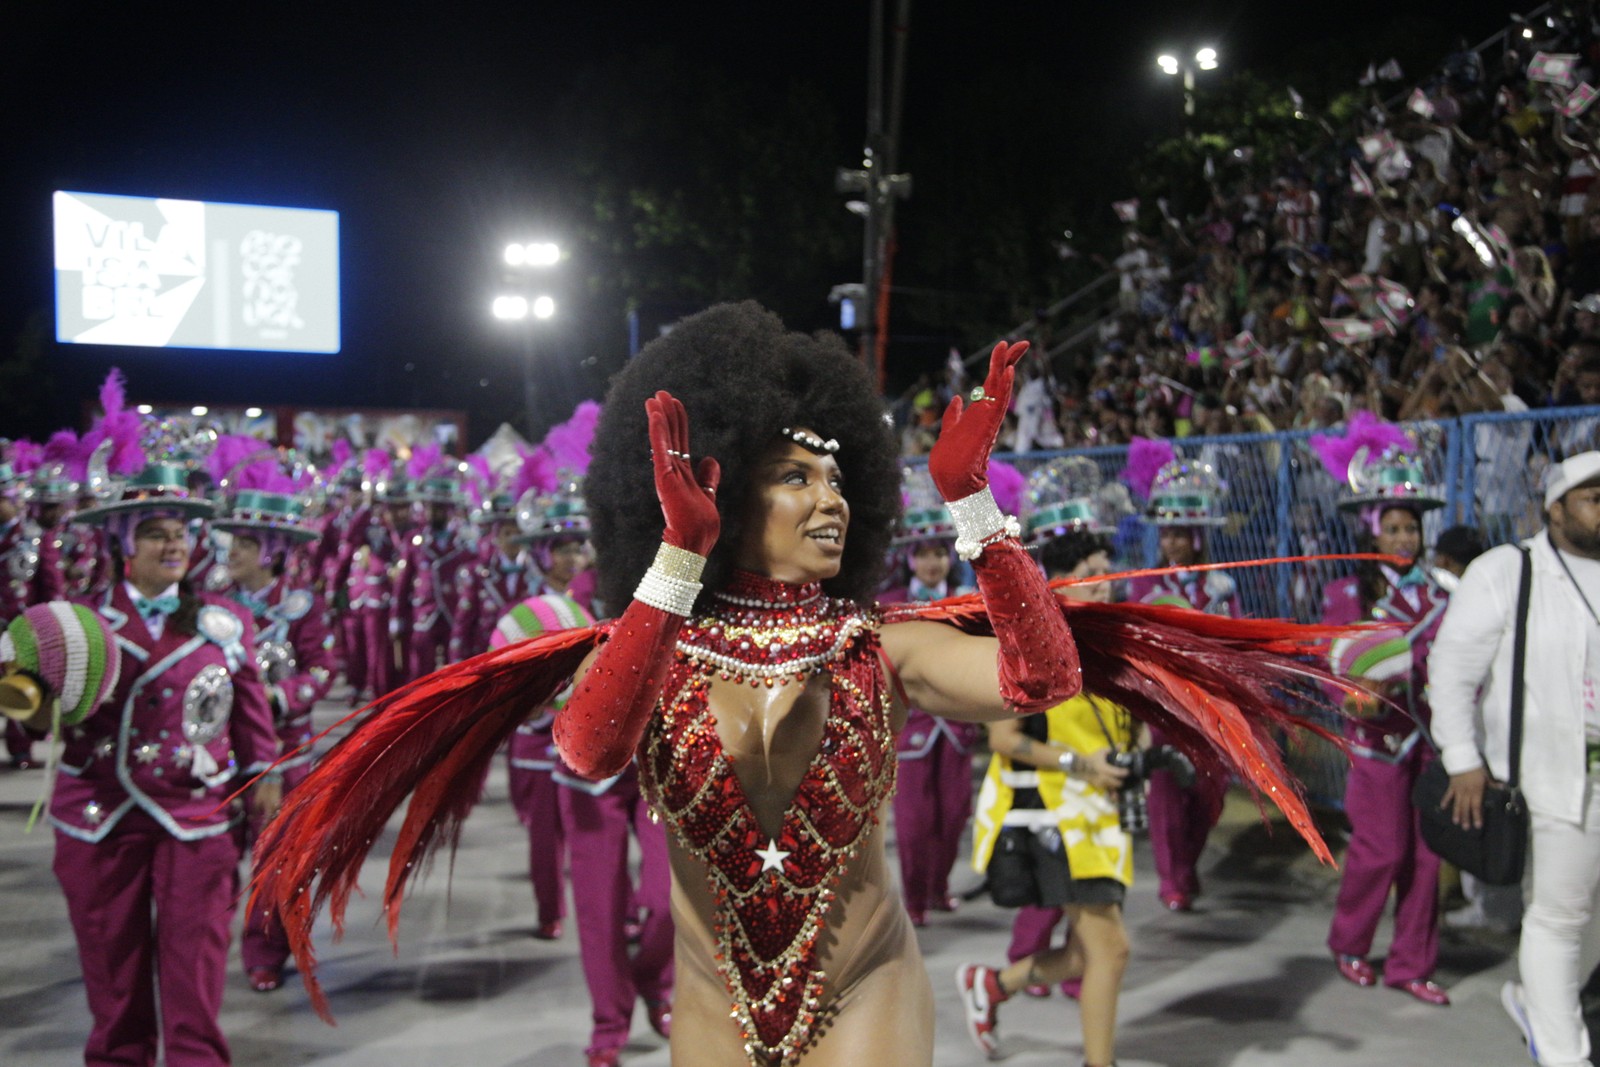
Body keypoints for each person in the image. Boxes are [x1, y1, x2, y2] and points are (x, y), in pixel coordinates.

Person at [254, 303, 1352, 1067]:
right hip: (711, 1006)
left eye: (839, 478)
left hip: (863, 984)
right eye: (796, 476)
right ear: (725, 490)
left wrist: (972, 502)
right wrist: (679, 559)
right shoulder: (650, 653)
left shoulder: (885, 645)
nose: (830, 500)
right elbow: (588, 748)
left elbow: (1041, 673)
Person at [38, 408, 281, 1067]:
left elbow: (252, 719)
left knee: (193, 980)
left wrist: (265, 782)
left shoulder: (224, 622)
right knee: (113, 984)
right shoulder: (78, 623)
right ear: (122, 542)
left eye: (180, 533)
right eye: (154, 534)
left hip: (196, 819)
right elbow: (35, 709)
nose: (172, 546)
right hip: (99, 819)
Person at [1433, 451, 1600, 1066]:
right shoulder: (1509, 569)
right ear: (1555, 508)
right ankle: (1563, 1053)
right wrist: (1462, 757)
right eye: (1593, 498)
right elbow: (1451, 669)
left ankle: (1538, 1002)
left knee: (1591, 916)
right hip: (1551, 774)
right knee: (1558, 913)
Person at [957, 528, 1134, 1066]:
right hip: (1056, 817)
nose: (1105, 587)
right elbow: (1005, 740)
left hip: (1098, 817)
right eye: (1093, 573)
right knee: (1110, 949)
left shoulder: (1101, 645)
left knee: (1088, 952)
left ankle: (992, 985)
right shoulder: (1033, 644)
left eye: (1107, 572)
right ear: (1060, 583)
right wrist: (1081, 764)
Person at [1314, 430, 1452, 1006]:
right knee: (1381, 850)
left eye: (1411, 528)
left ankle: (1412, 964)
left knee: (1427, 857)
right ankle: (1350, 943)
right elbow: (1331, 665)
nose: (1404, 537)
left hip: (1430, 739)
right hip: (1374, 742)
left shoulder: (1443, 594)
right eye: (1393, 527)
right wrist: (1353, 693)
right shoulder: (1349, 592)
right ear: (1373, 529)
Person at [210, 451, 335, 994]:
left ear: (272, 552)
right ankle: (205, 943)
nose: (231, 552)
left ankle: (267, 950)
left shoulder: (303, 605)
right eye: (230, 542)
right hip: (219, 750)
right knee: (216, 853)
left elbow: (323, 669)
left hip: (285, 751)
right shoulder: (212, 604)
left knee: (277, 852)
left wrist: (275, 698)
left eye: (244, 544)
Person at [1124, 456, 1236, 912]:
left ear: (1197, 536)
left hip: (1212, 705)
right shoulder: (1142, 585)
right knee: (1169, 791)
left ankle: (1187, 865)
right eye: (1166, 534)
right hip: (1165, 703)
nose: (1171, 542)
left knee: (1211, 793)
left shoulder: (1223, 586)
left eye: (1180, 533)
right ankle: (1174, 880)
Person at [877, 466, 981, 927]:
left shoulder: (968, 598)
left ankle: (939, 889)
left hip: (957, 728)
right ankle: (915, 901)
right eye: (924, 555)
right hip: (913, 729)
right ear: (910, 558)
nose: (932, 562)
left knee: (955, 814)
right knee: (915, 822)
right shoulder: (892, 604)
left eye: (939, 553)